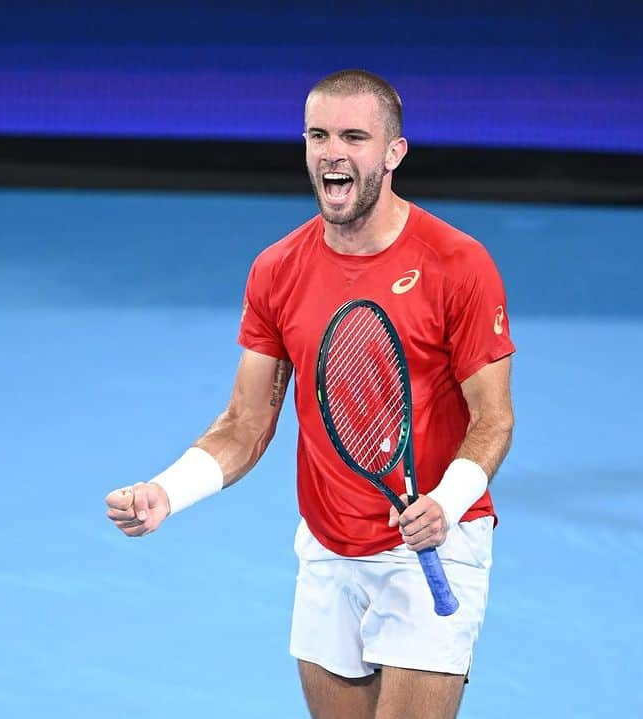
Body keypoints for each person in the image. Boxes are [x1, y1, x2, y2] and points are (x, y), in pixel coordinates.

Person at [105, 69, 515, 719]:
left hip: (433, 540)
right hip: (328, 546)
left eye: (355, 136)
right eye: (319, 135)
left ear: (393, 153)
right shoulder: (278, 269)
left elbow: (493, 418)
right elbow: (245, 423)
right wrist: (167, 491)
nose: (334, 151)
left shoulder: (457, 264)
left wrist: (447, 500)